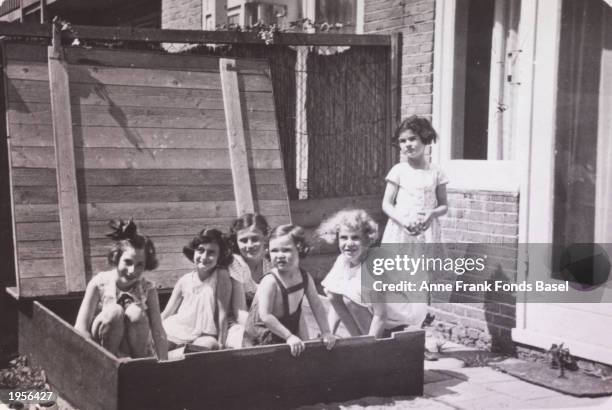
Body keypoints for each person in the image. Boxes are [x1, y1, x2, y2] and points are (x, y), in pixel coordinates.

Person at [74, 219, 168, 360]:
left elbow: (158, 330)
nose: (132, 271)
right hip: (104, 349)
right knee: (115, 311)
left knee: (135, 312)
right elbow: (80, 328)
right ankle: (109, 369)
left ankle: (138, 367)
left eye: (139, 265)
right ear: (116, 257)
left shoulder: (148, 288)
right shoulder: (99, 283)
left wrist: (164, 364)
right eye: (128, 262)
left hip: (135, 348)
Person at [244, 224, 337, 356]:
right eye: (274, 251)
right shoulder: (270, 281)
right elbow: (266, 316)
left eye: (286, 250)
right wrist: (289, 336)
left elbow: (316, 304)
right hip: (262, 339)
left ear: (300, 250)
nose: (279, 255)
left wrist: (326, 331)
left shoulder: (305, 277)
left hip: (287, 333)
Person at [317, 209, 389, 337]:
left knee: (350, 299)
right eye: (344, 238)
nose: (349, 243)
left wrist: (371, 346)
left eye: (355, 238)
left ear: (366, 240)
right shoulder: (342, 260)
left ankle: (366, 346)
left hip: (389, 319)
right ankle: (358, 341)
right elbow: (335, 301)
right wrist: (328, 333)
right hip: (368, 312)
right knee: (333, 294)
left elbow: (381, 315)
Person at [381, 115, 448, 244]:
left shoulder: (436, 172)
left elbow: (444, 205)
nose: (408, 145)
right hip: (401, 228)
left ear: (424, 139)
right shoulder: (398, 170)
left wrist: (432, 214)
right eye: (403, 141)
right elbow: (386, 204)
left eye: (412, 139)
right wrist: (403, 221)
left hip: (427, 230)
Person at [161, 229, 232, 351]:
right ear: (194, 252)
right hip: (177, 329)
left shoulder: (221, 275)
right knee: (159, 346)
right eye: (200, 250)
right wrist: (151, 331)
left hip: (203, 335)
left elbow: (222, 313)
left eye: (211, 253)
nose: (204, 257)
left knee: (209, 345)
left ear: (219, 257)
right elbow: (167, 313)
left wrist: (221, 343)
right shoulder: (185, 280)